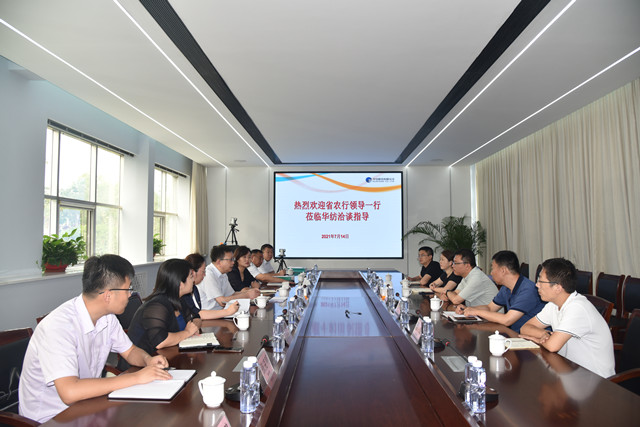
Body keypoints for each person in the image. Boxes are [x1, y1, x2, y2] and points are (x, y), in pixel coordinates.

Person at [19, 255, 171, 423]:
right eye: (128, 289)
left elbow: (130, 351)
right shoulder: (58, 327)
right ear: (108, 295)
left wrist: (148, 360)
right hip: (52, 418)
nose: (130, 295)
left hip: (87, 405)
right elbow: (69, 392)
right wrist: (136, 378)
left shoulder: (107, 317)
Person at [520, 258, 615, 378]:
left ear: (557, 287)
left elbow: (552, 346)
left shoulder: (577, 308)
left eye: (541, 281)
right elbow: (525, 328)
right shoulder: (554, 304)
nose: (537, 285)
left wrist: (537, 339)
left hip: (597, 380)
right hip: (570, 371)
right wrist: (544, 334)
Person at [123, 259, 200, 368]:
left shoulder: (179, 299)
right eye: (191, 277)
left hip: (167, 358)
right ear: (180, 283)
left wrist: (194, 327)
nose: (193, 281)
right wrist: (187, 332)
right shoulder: (157, 306)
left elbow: (196, 317)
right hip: (141, 365)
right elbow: (160, 341)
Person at [455, 250, 544, 333]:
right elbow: (490, 308)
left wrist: (476, 312)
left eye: (493, 268)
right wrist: (468, 309)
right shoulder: (506, 288)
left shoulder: (528, 290)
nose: (491, 273)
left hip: (533, 339)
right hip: (515, 334)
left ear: (503, 270)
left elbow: (507, 320)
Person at [197, 245, 260, 310]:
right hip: (211, 314)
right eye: (230, 260)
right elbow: (222, 302)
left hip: (222, 311)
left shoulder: (223, 273)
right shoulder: (208, 274)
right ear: (219, 262)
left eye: (233, 259)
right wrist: (247, 295)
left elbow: (232, 294)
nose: (233, 262)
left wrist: (250, 291)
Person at [182, 253, 239, 319]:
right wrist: (227, 312)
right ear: (193, 273)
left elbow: (197, 313)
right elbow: (197, 314)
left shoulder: (194, 288)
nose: (204, 275)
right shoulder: (184, 293)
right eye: (203, 271)